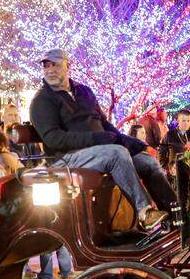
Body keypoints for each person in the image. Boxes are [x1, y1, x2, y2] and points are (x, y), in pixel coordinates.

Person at [28, 48, 171, 230]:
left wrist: (122, 139)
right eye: (46, 66)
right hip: (67, 157)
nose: (50, 70)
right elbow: (53, 139)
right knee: (116, 153)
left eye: (54, 65)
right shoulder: (42, 100)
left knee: (147, 161)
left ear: (67, 65)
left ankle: (173, 213)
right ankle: (145, 212)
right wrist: (98, 139)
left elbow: (103, 123)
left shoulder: (84, 91)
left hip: (98, 151)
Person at [161, 109, 190, 175]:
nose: (186, 123)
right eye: (183, 121)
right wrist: (166, 167)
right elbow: (162, 152)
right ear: (178, 121)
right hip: (174, 172)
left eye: (188, 121)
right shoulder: (169, 135)